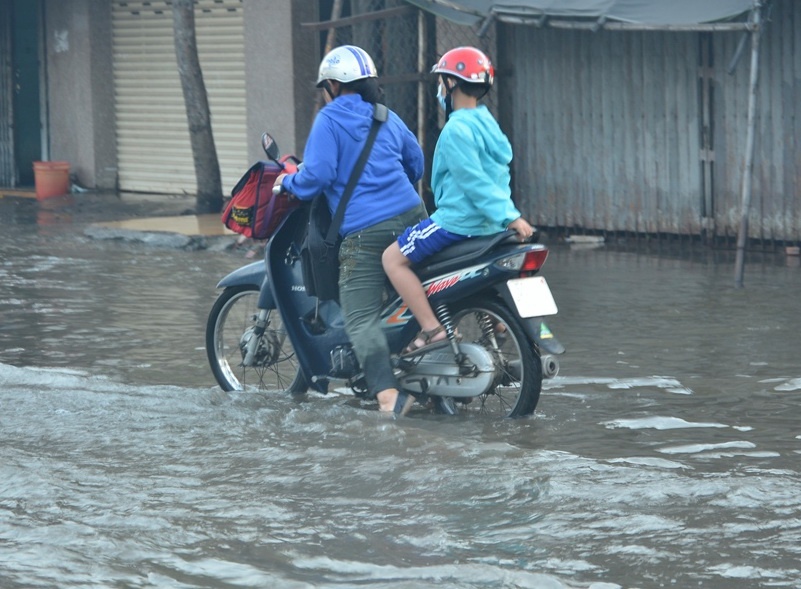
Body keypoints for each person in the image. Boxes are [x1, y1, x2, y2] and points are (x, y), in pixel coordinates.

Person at [273, 45, 427, 416]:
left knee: (359, 316)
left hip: (367, 231)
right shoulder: (386, 115)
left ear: (332, 85)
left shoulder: (328, 119)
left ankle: (388, 397)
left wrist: (286, 183)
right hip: (415, 217)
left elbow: (318, 175)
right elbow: (416, 164)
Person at [382, 46, 534, 355]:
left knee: (392, 259)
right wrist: (504, 216)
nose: (440, 88)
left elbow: (474, 181)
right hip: (488, 225)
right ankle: (495, 322)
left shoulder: (456, 130)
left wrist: (511, 215)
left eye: (441, 81)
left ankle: (431, 329)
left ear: (451, 83)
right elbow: (495, 178)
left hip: (458, 221)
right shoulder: (487, 123)